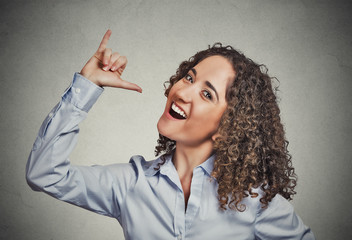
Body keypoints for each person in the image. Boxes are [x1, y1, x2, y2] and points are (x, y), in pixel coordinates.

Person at [26, 30, 315, 239]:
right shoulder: (131, 184)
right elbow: (45, 173)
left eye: (206, 93)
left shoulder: (254, 201)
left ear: (228, 127)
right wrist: (86, 87)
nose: (182, 91)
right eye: (189, 77)